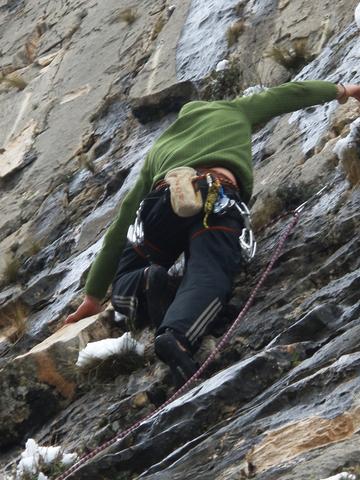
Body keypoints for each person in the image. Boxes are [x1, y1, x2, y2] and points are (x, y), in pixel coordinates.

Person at [65, 80, 360, 386]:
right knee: (210, 269)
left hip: (163, 199)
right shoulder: (234, 110)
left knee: (131, 266)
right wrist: (344, 91)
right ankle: (175, 336)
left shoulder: (159, 148)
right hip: (216, 194)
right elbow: (289, 94)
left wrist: (93, 294)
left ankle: (144, 281)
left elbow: (125, 216)